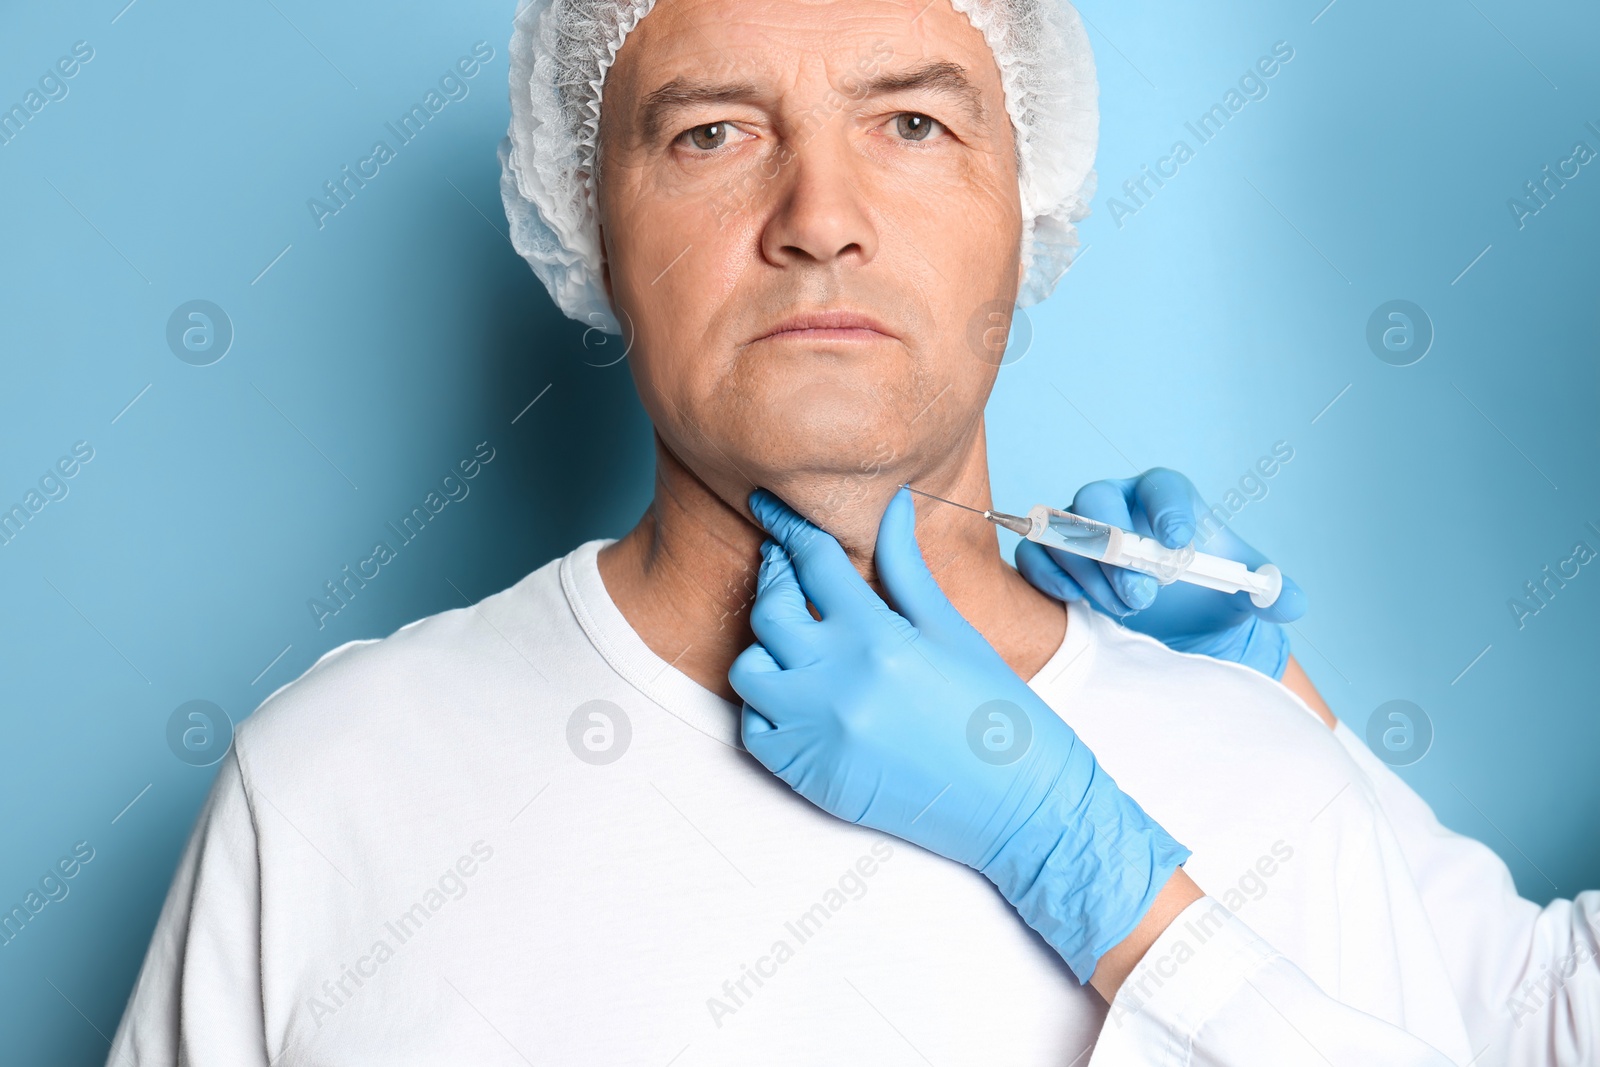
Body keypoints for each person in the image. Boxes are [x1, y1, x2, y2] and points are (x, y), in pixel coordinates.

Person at [108, 0, 1599, 1063]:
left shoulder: (1270, 803)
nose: (821, 215)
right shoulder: (333, 789)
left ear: (1030, 204)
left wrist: (1152, 809)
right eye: (707, 133)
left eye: (912, 121)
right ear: (590, 217)